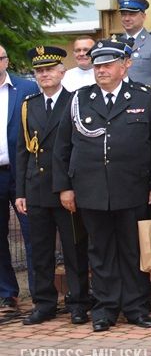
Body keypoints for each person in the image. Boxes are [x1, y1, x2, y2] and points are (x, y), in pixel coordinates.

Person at [53, 39, 151, 332]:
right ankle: (105, 309)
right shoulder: (79, 99)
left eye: (107, 64)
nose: (100, 70)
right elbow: (62, 148)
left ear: (125, 64)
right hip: (91, 189)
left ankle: (137, 307)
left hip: (132, 187)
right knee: (100, 252)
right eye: (97, 65)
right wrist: (64, 187)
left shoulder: (144, 97)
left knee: (132, 250)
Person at [15, 47, 89, 324]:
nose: (44, 75)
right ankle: (44, 303)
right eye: (39, 71)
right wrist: (20, 191)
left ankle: (79, 301)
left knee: (74, 249)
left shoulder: (75, 101)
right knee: (41, 251)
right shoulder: (28, 105)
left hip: (66, 190)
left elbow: (78, 148)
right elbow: (22, 150)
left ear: (62, 72)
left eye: (49, 69)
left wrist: (70, 186)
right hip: (36, 189)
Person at [0, 44, 38, 313]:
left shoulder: (26, 88)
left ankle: (40, 293)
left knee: (33, 233)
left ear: (7, 61)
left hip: (22, 172)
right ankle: (7, 293)